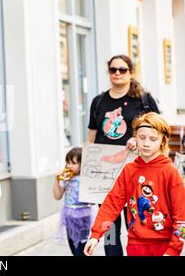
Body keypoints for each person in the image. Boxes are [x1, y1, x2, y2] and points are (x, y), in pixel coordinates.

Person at [86, 54, 159, 256]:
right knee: (109, 229)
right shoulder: (99, 101)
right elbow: (91, 137)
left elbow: (158, 131)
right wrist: (87, 174)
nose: (117, 73)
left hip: (137, 172)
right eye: (113, 70)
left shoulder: (143, 100)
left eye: (122, 70)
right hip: (106, 175)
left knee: (138, 227)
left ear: (131, 72)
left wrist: (139, 139)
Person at [84, 112, 185, 256]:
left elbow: (181, 215)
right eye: (142, 137)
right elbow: (112, 203)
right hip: (135, 244)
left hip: (164, 245)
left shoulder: (170, 172)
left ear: (162, 141)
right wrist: (95, 235)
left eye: (153, 139)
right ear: (135, 137)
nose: (146, 143)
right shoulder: (129, 170)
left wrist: (174, 249)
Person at [53, 147, 94, 256]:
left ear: (82, 164)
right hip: (69, 216)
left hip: (83, 216)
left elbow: (93, 200)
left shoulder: (86, 178)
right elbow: (57, 196)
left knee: (82, 247)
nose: (69, 166)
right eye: (68, 162)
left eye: (73, 163)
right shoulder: (65, 178)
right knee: (73, 246)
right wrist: (57, 180)